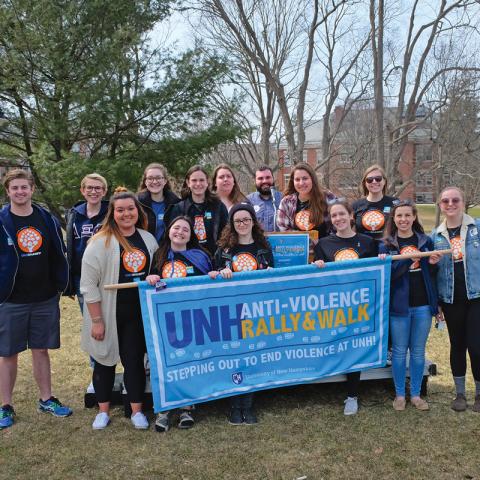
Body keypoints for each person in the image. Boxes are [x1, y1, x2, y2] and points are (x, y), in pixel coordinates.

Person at [80, 188, 158, 430]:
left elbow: (155, 272)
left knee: (134, 361)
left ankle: (136, 411)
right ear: (112, 213)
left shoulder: (148, 239)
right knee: (104, 361)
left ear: (138, 211)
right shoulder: (99, 242)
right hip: (107, 313)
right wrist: (97, 320)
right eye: (121, 210)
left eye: (131, 209)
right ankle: (103, 411)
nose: (126, 214)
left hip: (136, 314)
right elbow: (88, 285)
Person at [0, 169, 72, 430]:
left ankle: (46, 399)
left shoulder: (46, 218)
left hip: (44, 297)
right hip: (11, 298)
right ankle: (5, 406)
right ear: (8, 191)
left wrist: (59, 284)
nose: (20, 192)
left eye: (24, 187)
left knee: (41, 350)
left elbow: (58, 252)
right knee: (8, 353)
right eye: (15, 188)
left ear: (32, 190)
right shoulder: (1, 220)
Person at [209, 202, 274, 425]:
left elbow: (271, 279)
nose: (243, 224)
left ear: (253, 222)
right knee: (233, 359)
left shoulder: (264, 247)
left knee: (252, 358)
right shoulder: (224, 250)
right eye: (238, 221)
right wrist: (220, 272)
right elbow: (213, 277)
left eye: (246, 220)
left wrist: (270, 274)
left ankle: (248, 405)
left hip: (255, 311)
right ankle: (234, 406)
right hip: (231, 311)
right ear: (232, 224)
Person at [145, 216, 212, 432]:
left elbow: (210, 287)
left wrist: (213, 276)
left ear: (191, 235)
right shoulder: (160, 254)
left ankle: (187, 407)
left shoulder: (201, 256)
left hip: (193, 317)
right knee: (168, 361)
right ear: (169, 231)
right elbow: (151, 279)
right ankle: (164, 409)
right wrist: (151, 279)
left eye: (185, 230)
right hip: (166, 319)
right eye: (176, 228)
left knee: (190, 361)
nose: (180, 232)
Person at [313, 200, 377, 416]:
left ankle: (352, 395)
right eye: (334, 216)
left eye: (342, 214)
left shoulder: (368, 243)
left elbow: (374, 273)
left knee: (354, 347)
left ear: (351, 216)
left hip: (359, 306)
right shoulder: (323, 244)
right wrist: (318, 267)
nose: (338, 219)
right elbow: (319, 280)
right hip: (333, 305)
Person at [379, 200, 441, 411]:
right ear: (393, 219)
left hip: (422, 305)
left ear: (414, 217)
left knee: (417, 352)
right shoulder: (386, 245)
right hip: (399, 307)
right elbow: (391, 276)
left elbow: (431, 275)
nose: (403, 219)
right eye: (399, 216)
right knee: (398, 352)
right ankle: (399, 394)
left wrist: (432, 264)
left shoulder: (425, 241)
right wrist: (407, 259)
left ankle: (415, 394)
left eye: (407, 215)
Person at [431, 186, 480, 413]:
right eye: (445, 201)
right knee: (457, 345)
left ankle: (479, 394)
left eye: (455, 200)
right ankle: (460, 393)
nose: (450, 204)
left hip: (476, 296)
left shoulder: (477, 228)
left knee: (476, 345)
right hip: (451, 299)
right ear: (440, 204)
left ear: (463, 201)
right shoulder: (436, 236)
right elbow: (432, 272)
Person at [65, 173, 109, 313]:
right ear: (82, 190)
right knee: (90, 318)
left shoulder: (112, 213)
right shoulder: (73, 214)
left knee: (109, 316)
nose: (93, 191)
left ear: (104, 191)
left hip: (107, 273)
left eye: (98, 188)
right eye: (89, 188)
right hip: (82, 275)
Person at [166, 165, 228, 256]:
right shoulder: (179, 208)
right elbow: (171, 237)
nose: (198, 184)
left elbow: (226, 233)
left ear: (207, 182)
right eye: (194, 180)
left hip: (214, 258)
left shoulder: (218, 206)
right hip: (188, 259)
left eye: (202, 180)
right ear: (188, 182)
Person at [277, 162, 335, 239]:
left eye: (305, 178)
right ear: (293, 182)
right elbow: (284, 230)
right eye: (297, 179)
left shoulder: (327, 197)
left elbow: (336, 226)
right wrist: (305, 242)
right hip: (297, 248)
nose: (301, 183)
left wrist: (323, 244)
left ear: (312, 179)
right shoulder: (286, 202)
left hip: (325, 248)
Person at [137, 163, 180, 243]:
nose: (154, 181)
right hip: (144, 250)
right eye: (150, 178)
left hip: (167, 251)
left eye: (158, 178)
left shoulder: (176, 204)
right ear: (145, 182)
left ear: (165, 181)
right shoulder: (137, 203)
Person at [352, 164, 397, 242]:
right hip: (364, 251)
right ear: (365, 183)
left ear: (384, 181)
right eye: (369, 180)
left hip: (388, 250)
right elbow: (351, 232)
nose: (374, 181)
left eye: (378, 179)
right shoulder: (355, 205)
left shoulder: (395, 203)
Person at [247, 165, 283, 232]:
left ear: (273, 178)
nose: (264, 181)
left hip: (280, 241)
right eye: (260, 178)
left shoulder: (283, 199)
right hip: (257, 241)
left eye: (268, 177)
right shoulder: (248, 201)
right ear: (254, 181)